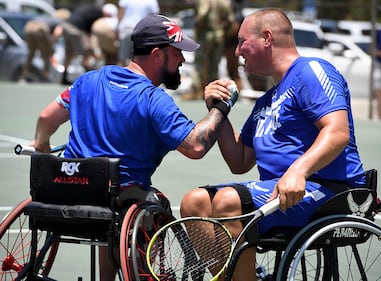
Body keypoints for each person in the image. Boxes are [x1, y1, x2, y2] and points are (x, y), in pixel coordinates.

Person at [29, 14, 238, 281]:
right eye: (177, 53)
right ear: (157, 55)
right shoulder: (152, 99)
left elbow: (46, 118)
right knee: (150, 201)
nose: (183, 60)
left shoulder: (88, 81)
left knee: (112, 197)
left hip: (65, 190)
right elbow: (196, 146)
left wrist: (42, 145)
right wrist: (221, 107)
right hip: (119, 200)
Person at [180, 8, 366, 281]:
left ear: (266, 38)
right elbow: (240, 161)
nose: (237, 51)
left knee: (229, 202)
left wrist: (297, 171)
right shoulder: (266, 101)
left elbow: (337, 132)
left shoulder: (311, 71)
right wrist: (218, 111)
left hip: (330, 190)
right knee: (193, 203)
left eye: (243, 41)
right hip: (282, 193)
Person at [181, 0, 235, 100]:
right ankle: (214, 91)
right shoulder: (224, 2)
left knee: (199, 64)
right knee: (214, 65)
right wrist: (224, 33)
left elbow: (202, 14)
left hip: (206, 34)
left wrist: (197, 31)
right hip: (219, 35)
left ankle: (196, 90)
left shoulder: (205, 1)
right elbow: (230, 19)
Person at [59, 3, 115, 84]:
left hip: (66, 27)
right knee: (85, 54)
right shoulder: (98, 14)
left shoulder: (90, 9)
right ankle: (90, 78)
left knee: (68, 54)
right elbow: (93, 32)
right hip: (76, 30)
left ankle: (64, 77)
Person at [22, 9, 70, 82]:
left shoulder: (48, 18)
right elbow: (57, 33)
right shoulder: (60, 22)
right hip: (40, 28)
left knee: (31, 53)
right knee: (47, 54)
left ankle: (25, 75)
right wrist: (50, 45)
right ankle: (45, 76)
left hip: (28, 26)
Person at [116, 0, 159, 66]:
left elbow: (121, 13)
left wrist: (117, 28)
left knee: (122, 59)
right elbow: (155, 16)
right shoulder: (152, 1)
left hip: (127, 28)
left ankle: (119, 76)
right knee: (140, 60)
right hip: (142, 31)